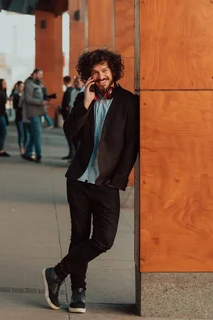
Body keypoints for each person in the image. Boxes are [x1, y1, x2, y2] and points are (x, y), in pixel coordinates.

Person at [42, 49, 139, 314]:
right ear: (89, 76)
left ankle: (57, 272)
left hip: (106, 182)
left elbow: (131, 145)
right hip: (79, 180)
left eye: (105, 71)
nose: (101, 76)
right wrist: (84, 105)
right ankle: (78, 291)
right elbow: (70, 132)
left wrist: (119, 180)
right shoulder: (83, 98)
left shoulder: (129, 102)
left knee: (104, 239)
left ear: (114, 72)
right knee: (79, 236)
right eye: (95, 72)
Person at [23, 69, 48, 163]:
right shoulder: (29, 84)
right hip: (33, 112)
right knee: (37, 134)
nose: (41, 76)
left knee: (34, 134)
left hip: (38, 112)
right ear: (34, 74)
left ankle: (27, 153)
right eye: (40, 74)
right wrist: (41, 102)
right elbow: (28, 99)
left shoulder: (37, 84)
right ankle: (38, 155)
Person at [11, 81, 29, 156]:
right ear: (18, 87)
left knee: (26, 134)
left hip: (26, 117)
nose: (22, 87)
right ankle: (21, 149)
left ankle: (25, 148)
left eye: (23, 86)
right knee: (21, 134)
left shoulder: (27, 95)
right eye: (21, 86)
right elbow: (15, 107)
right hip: (19, 117)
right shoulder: (15, 96)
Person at [60, 75, 75, 160]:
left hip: (68, 116)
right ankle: (71, 154)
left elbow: (68, 104)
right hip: (68, 116)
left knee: (70, 137)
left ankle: (72, 154)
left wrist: (63, 110)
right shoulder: (71, 90)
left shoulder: (69, 91)